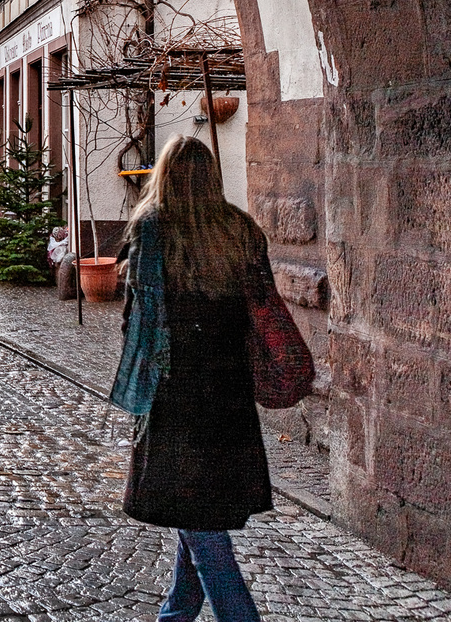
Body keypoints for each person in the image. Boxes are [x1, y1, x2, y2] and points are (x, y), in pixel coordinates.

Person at [110, 134, 272, 622]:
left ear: (165, 177)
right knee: (197, 515)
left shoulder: (153, 229)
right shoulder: (240, 229)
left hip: (176, 396)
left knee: (201, 525)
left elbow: (135, 322)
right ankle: (174, 616)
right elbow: (259, 309)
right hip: (230, 393)